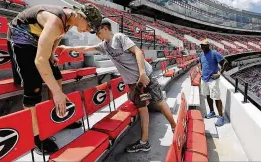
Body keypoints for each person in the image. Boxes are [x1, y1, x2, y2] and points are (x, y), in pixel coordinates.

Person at [59, 19, 177, 153]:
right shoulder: (104, 45)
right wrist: (67, 48)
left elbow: (137, 51)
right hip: (135, 84)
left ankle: (174, 126)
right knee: (143, 109)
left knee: (159, 101)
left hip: (145, 76)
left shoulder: (119, 37)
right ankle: (144, 142)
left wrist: (143, 73)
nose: (96, 35)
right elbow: (86, 48)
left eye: (97, 31)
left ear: (104, 28)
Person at [6, 4, 103, 154]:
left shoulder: (70, 21)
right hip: (20, 38)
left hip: (37, 38)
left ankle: (57, 116)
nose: (88, 31)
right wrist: (57, 92)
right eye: (89, 26)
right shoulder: (55, 21)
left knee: (57, 77)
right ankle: (37, 137)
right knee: (34, 86)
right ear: (80, 16)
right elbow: (39, 61)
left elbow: (58, 36)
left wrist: (51, 54)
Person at [197, 39, 228, 127]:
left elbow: (225, 62)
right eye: (201, 45)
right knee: (208, 95)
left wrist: (219, 73)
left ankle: (221, 117)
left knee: (216, 97)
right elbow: (201, 63)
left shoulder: (214, 53)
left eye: (204, 45)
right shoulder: (201, 54)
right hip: (204, 79)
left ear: (208, 46)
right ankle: (212, 111)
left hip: (213, 79)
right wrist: (201, 72)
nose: (202, 46)